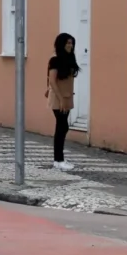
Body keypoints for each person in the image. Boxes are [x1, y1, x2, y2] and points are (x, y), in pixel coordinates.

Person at [47, 33, 79, 171]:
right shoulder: (55, 60)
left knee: (63, 127)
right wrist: (60, 100)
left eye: (71, 43)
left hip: (66, 96)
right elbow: (52, 80)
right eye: (67, 43)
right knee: (61, 127)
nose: (70, 46)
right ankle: (58, 160)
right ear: (61, 44)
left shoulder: (69, 58)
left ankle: (59, 159)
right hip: (59, 98)